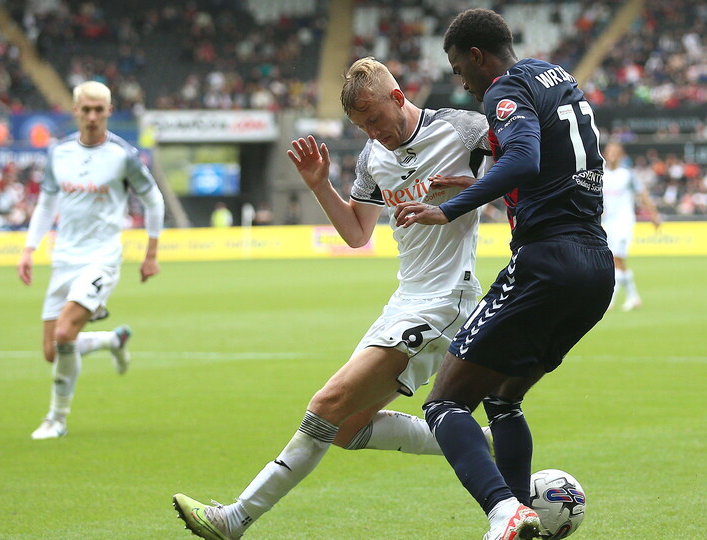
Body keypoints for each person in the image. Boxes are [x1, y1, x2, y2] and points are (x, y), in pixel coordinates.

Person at [172, 56, 492, 539]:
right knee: (346, 428)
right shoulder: (372, 158)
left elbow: (526, 172)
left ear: (398, 98)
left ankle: (234, 519)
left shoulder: (465, 130)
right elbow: (357, 234)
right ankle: (479, 441)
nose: (373, 133)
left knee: (328, 403)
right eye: (362, 127)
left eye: (376, 120)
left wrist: (469, 190)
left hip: (448, 299)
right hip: (406, 299)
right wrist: (320, 185)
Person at [393, 9, 614, 540]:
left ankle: (505, 511)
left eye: (458, 67)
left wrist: (448, 208)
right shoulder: (557, 78)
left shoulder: (502, 90)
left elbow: (525, 162)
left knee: (445, 403)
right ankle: (521, 520)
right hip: (594, 268)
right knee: (503, 398)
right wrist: (479, 170)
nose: (460, 82)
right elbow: (546, 158)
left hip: (546, 262)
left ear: (476, 55)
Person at [17, 81, 165, 440]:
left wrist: (151, 253)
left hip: (101, 259)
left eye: (100, 110)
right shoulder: (59, 153)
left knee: (66, 332)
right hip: (64, 258)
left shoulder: (123, 155)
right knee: (53, 351)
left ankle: (56, 419)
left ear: (109, 111)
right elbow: (47, 203)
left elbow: (154, 200)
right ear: (76, 111)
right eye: (87, 110)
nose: (93, 116)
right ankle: (111, 340)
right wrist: (29, 248)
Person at [602, 140, 661, 311]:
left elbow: (642, 195)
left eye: (615, 152)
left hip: (624, 221)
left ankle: (610, 300)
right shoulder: (602, 175)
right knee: (618, 261)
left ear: (620, 155)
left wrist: (654, 215)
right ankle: (634, 297)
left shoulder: (627, 175)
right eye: (609, 152)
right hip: (608, 223)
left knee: (616, 259)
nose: (611, 156)